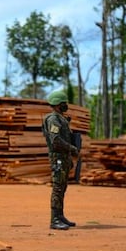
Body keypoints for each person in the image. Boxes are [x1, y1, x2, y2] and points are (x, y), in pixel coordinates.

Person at [42, 90, 79, 230]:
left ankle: (60, 216)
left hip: (63, 158)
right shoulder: (53, 119)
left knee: (62, 187)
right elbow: (55, 140)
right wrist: (71, 148)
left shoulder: (60, 118)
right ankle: (54, 220)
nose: (66, 105)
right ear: (58, 104)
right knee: (58, 188)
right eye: (64, 103)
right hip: (58, 157)